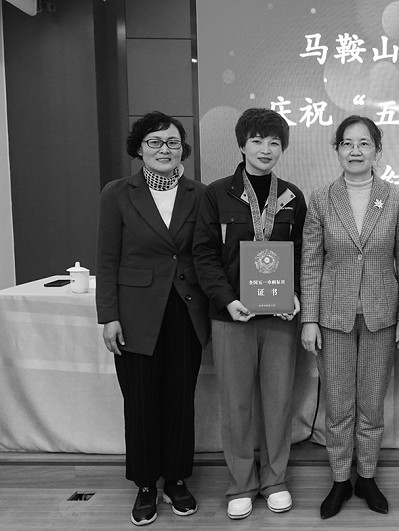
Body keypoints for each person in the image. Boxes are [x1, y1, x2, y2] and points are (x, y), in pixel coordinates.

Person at [96, 111, 211, 526]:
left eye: (173, 142)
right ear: (140, 148)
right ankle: (145, 484)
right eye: (155, 142)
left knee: (180, 399)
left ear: (183, 149)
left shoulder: (200, 194)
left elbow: (206, 254)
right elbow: (106, 259)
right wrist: (108, 316)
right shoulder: (117, 193)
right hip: (135, 313)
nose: (165, 149)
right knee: (141, 401)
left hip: (185, 309)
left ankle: (176, 479)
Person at [193, 108, 307, 520]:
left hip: (279, 318)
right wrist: (226, 299)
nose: (265, 149)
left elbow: (303, 254)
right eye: (257, 140)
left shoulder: (292, 196)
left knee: (278, 402)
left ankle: (275, 480)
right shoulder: (216, 194)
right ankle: (241, 483)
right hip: (232, 317)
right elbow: (204, 254)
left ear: (282, 148)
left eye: (274, 142)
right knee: (236, 402)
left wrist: (295, 294)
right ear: (242, 145)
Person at [300, 115, 399, 519]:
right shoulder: (321, 198)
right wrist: (309, 318)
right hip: (333, 317)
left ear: (377, 150)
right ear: (337, 150)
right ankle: (338, 480)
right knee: (338, 404)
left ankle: (366, 476)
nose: (355, 151)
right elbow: (311, 261)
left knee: (371, 403)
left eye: (364, 143)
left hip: (382, 317)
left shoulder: (396, 197)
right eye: (347, 143)